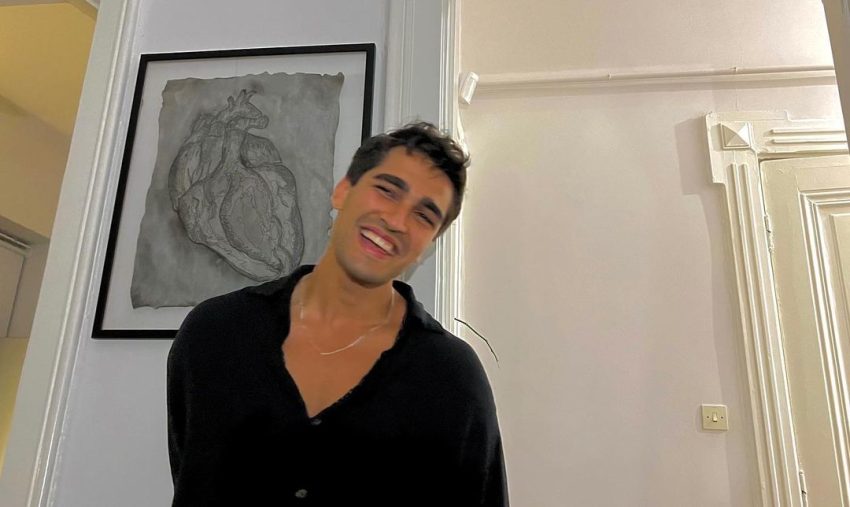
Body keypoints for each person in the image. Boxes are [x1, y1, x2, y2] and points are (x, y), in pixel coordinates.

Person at [167, 121, 508, 506]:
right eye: (387, 190)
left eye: (424, 216)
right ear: (343, 191)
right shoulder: (215, 333)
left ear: (428, 246)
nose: (397, 221)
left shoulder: (452, 377)